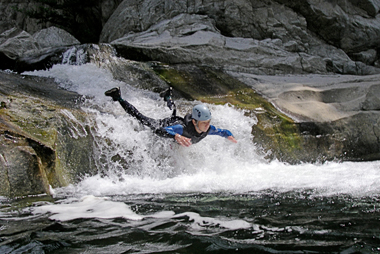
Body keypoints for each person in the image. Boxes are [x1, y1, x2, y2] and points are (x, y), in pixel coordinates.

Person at [105, 87, 237, 147]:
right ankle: (118, 97)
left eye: (208, 122)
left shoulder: (208, 129)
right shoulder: (180, 129)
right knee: (143, 119)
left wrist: (230, 136)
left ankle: (168, 96)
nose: (207, 126)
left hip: (176, 121)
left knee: (174, 112)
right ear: (194, 122)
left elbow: (223, 132)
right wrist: (175, 136)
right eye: (204, 123)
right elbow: (158, 131)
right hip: (167, 124)